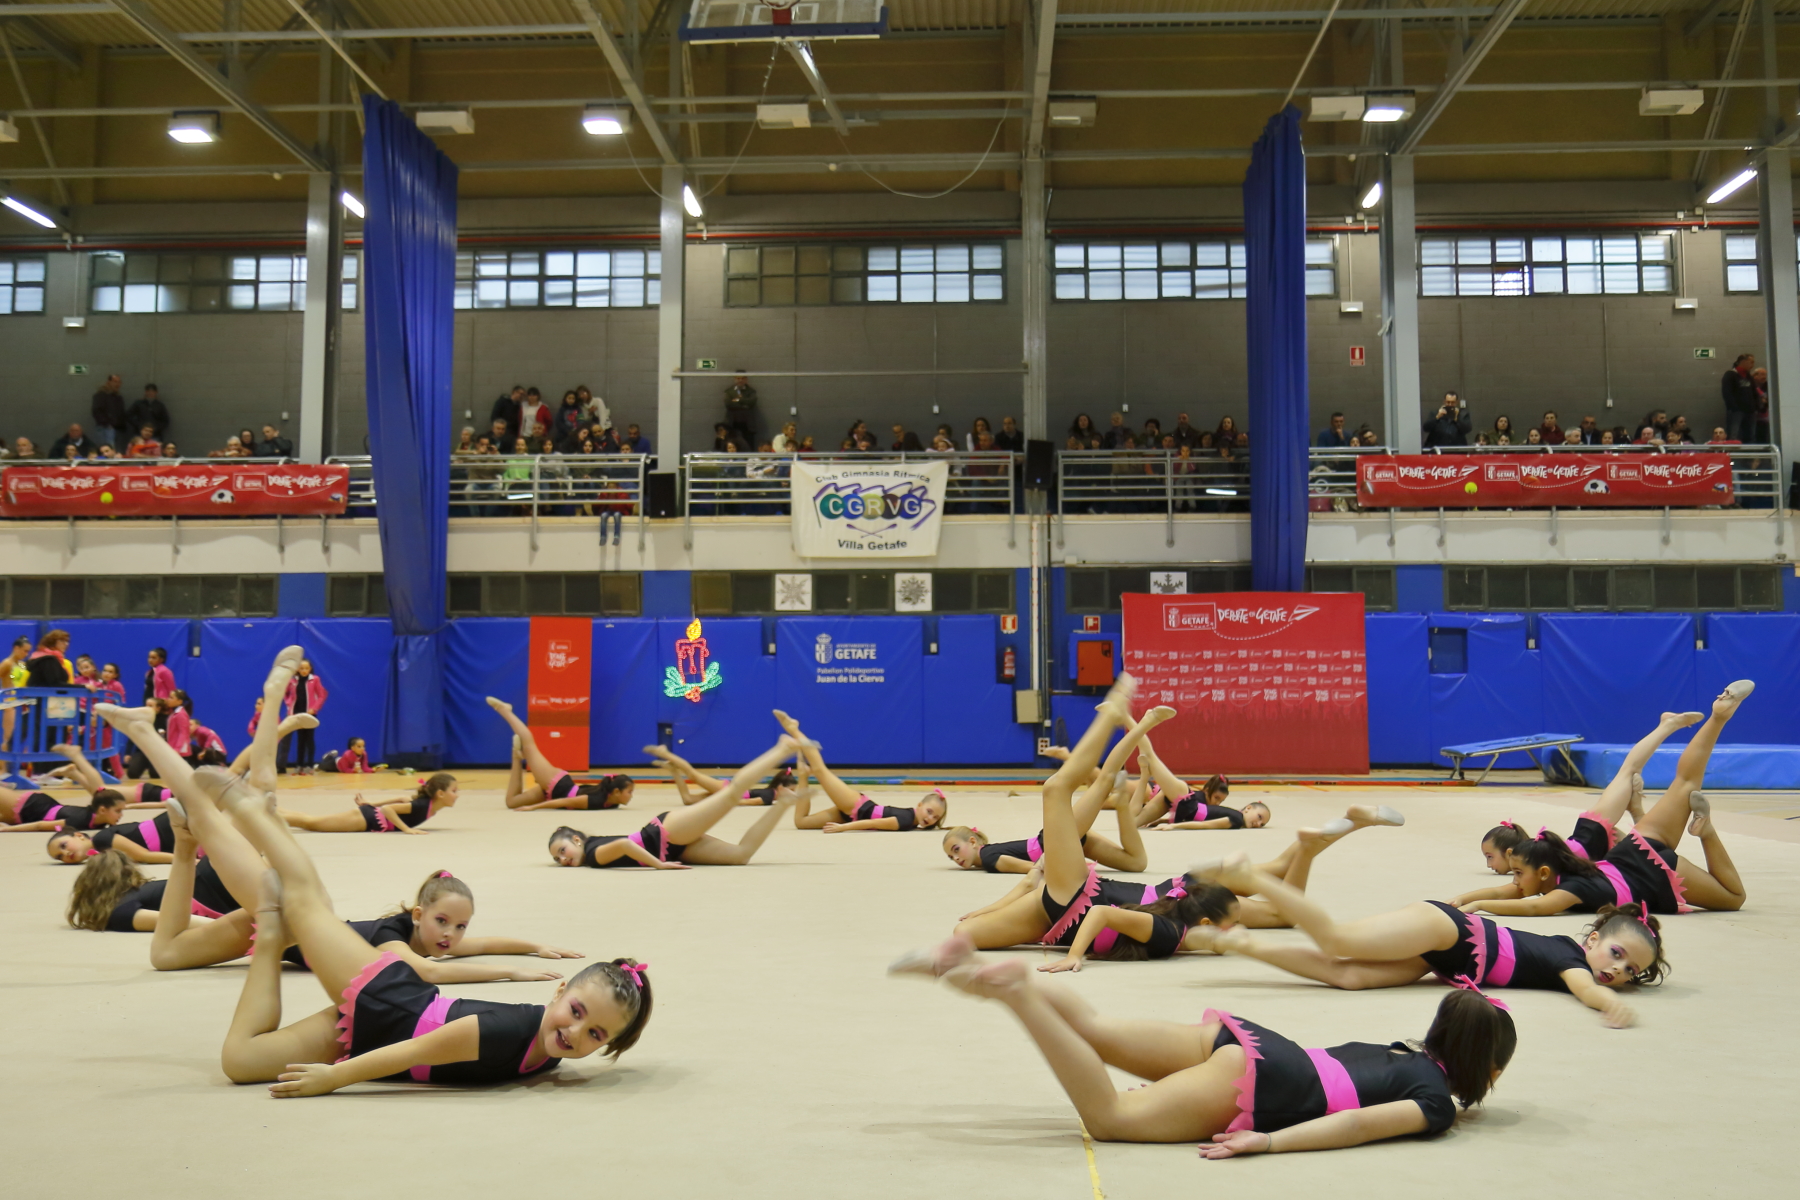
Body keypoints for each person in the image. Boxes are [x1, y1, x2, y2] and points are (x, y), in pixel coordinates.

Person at [892, 946, 1514, 1155]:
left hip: (1253, 1043)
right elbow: (1354, 1125)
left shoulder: (1398, 1051)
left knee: (1097, 1028)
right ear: (1486, 1070)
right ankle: (1017, 994)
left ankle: (977, 968)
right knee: (1111, 1118)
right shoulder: (1433, 1101)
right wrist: (1267, 1142)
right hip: (1265, 1084)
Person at [1196, 849, 1664, 1027]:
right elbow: (1585, 988)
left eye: (1631, 970)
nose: (1618, 970)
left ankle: (1245, 944)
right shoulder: (1572, 961)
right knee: (1337, 940)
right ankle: (1251, 876)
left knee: (1350, 977)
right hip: (1449, 931)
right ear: (1593, 938)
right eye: (1617, 954)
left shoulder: (1573, 957)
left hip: (1449, 958)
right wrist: (1607, 1001)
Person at [1456, 686, 1753, 917]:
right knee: (1686, 783)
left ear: (1544, 873)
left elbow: (1534, 907)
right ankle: (1718, 716)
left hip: (1654, 875)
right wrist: (1459, 900)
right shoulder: (1565, 869)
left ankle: (1707, 833)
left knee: (1733, 899)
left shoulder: (1569, 889)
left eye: (1519, 874)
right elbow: (1506, 893)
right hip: (1633, 848)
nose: (1515, 882)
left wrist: (1478, 906)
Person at [546, 735, 804, 868]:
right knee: (740, 856)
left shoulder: (593, 855)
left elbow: (625, 844)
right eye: (558, 859)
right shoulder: (590, 847)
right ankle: (783, 804)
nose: (562, 860)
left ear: (576, 840)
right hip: (669, 846)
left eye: (562, 851)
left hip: (667, 833)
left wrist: (658, 865)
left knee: (732, 794)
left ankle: (782, 749)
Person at [778, 711, 948, 832]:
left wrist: (845, 824)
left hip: (852, 814)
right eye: (929, 812)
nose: (930, 818)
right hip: (854, 806)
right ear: (919, 805)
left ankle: (803, 775)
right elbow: (872, 823)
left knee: (801, 823)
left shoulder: (912, 822)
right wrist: (844, 828)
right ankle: (794, 729)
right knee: (819, 770)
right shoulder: (906, 819)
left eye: (935, 818)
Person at [485, 697, 635, 810]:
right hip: (556, 783)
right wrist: (533, 808)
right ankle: (505, 710)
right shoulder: (595, 800)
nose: (631, 796)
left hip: (554, 792)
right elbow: (564, 801)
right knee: (529, 744)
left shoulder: (612, 803)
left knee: (512, 802)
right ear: (616, 792)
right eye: (629, 792)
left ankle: (516, 755)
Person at [278, 773, 459, 835]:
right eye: (454, 791)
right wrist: (406, 829)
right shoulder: (423, 806)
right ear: (440, 794)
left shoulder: (429, 807)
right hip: (366, 819)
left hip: (368, 815)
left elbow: (402, 799)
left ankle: (274, 809)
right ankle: (267, 816)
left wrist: (371, 803)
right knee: (312, 824)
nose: (457, 795)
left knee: (313, 820)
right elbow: (388, 810)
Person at [280, 658, 326, 774]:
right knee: (300, 740)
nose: (304, 670)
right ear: (297, 669)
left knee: (309, 739)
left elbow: (322, 695)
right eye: (301, 668)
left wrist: (314, 708)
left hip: (310, 714)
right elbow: (285, 693)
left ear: (310, 669)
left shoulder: (315, 679)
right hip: (297, 714)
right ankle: (299, 765)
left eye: (306, 668)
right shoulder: (293, 681)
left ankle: (309, 765)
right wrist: (289, 705)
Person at [1721, 353, 1757, 442]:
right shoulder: (1730, 375)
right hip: (1736, 411)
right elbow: (1727, 393)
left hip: (1750, 410)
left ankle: (1750, 450)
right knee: (1734, 434)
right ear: (1743, 362)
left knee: (1750, 434)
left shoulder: (1748, 376)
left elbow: (1754, 392)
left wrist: (1755, 406)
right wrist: (1733, 407)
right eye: (1751, 362)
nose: (1753, 365)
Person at [90, 374, 127, 448]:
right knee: (105, 449)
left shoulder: (118, 397)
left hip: (117, 429)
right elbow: (96, 411)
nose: (117, 384)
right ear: (108, 382)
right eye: (115, 381)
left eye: (119, 382)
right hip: (105, 428)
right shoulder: (101, 395)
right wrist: (107, 424)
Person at [723, 371, 758, 447]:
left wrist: (738, 400)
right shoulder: (729, 391)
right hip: (732, 424)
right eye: (738, 378)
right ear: (734, 379)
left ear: (746, 379)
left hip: (747, 425)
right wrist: (744, 404)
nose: (740, 380)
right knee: (732, 445)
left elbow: (751, 402)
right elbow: (728, 404)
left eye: (742, 378)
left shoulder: (751, 391)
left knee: (748, 446)